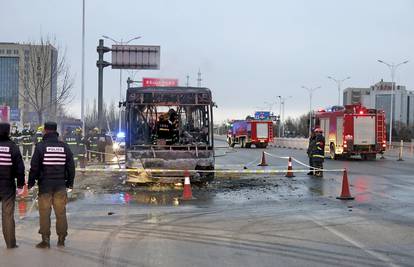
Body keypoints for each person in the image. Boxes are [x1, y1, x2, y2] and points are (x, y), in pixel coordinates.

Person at [28, 121, 75, 248]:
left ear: (45, 130)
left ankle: (46, 240)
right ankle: (61, 238)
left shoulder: (40, 146)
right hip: (60, 185)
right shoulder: (64, 146)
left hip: (45, 186)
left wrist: (31, 182)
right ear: (55, 131)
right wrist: (70, 183)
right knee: (61, 213)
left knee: (44, 213)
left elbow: (34, 167)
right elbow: (71, 166)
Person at [0, 122, 25, 249]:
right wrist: (20, 185)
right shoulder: (12, 147)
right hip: (7, 186)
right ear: (8, 132)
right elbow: (20, 168)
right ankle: (10, 244)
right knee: (8, 215)